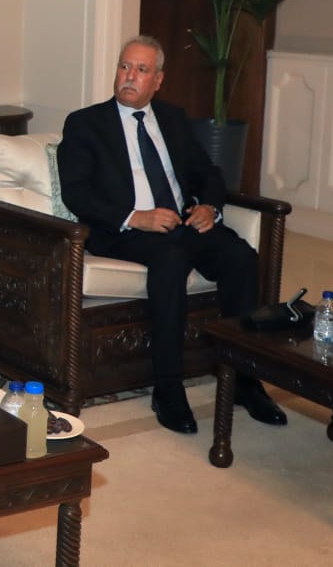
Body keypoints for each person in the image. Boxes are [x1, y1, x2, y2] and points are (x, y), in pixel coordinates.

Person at [57, 36, 286, 434]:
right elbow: (76, 193)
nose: (129, 77)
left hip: (180, 223)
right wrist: (136, 217)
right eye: (124, 67)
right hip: (124, 231)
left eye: (141, 70)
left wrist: (208, 207)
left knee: (240, 257)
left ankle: (245, 380)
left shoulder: (173, 118)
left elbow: (208, 173)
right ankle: (168, 388)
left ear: (158, 80)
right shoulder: (85, 123)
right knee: (171, 258)